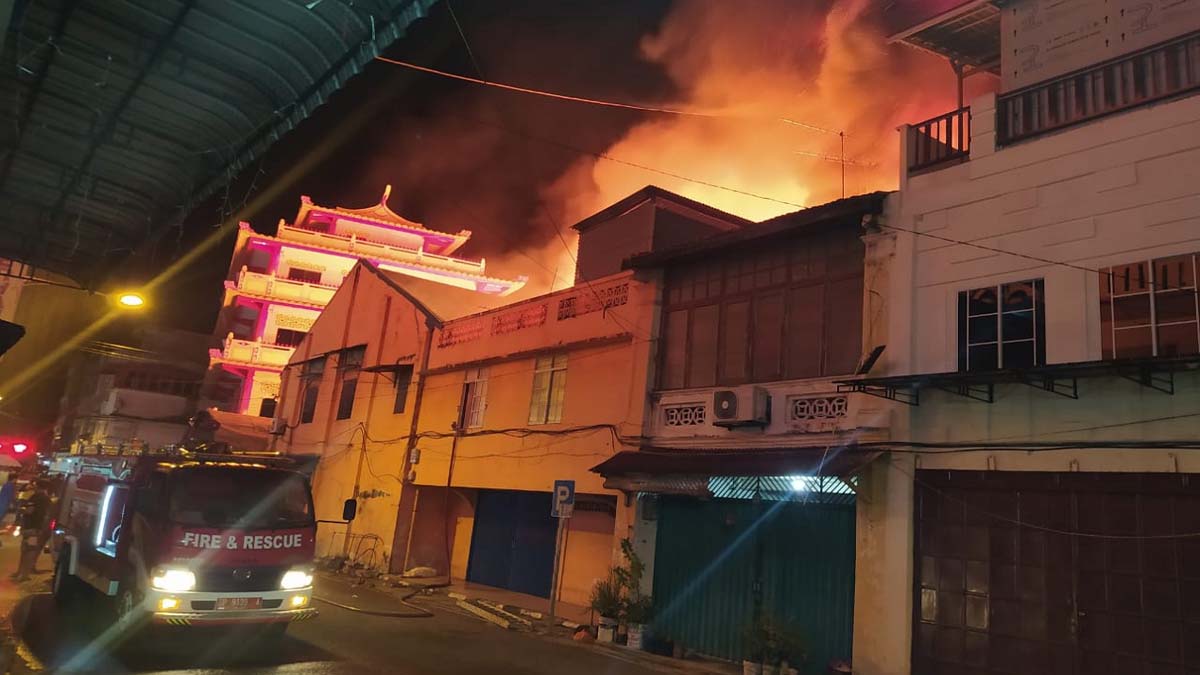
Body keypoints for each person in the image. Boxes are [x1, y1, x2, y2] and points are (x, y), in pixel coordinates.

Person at [13, 481, 50, 581]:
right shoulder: (45, 499)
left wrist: (21, 510)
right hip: (34, 528)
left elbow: (29, 510)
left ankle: (21, 573)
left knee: (26, 551)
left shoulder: (35, 497)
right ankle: (23, 574)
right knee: (29, 551)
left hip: (30, 528)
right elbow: (46, 515)